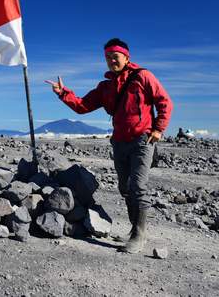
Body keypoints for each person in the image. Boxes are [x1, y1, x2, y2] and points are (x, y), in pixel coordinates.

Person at [45, 38, 173, 253]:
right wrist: (63, 93)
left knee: (138, 187)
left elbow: (164, 102)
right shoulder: (106, 87)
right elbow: (83, 106)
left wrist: (159, 129)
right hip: (119, 142)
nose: (111, 60)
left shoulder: (143, 76)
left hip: (143, 140)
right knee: (124, 188)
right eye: (107, 57)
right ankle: (135, 228)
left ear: (126, 57)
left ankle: (139, 235)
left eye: (115, 56)